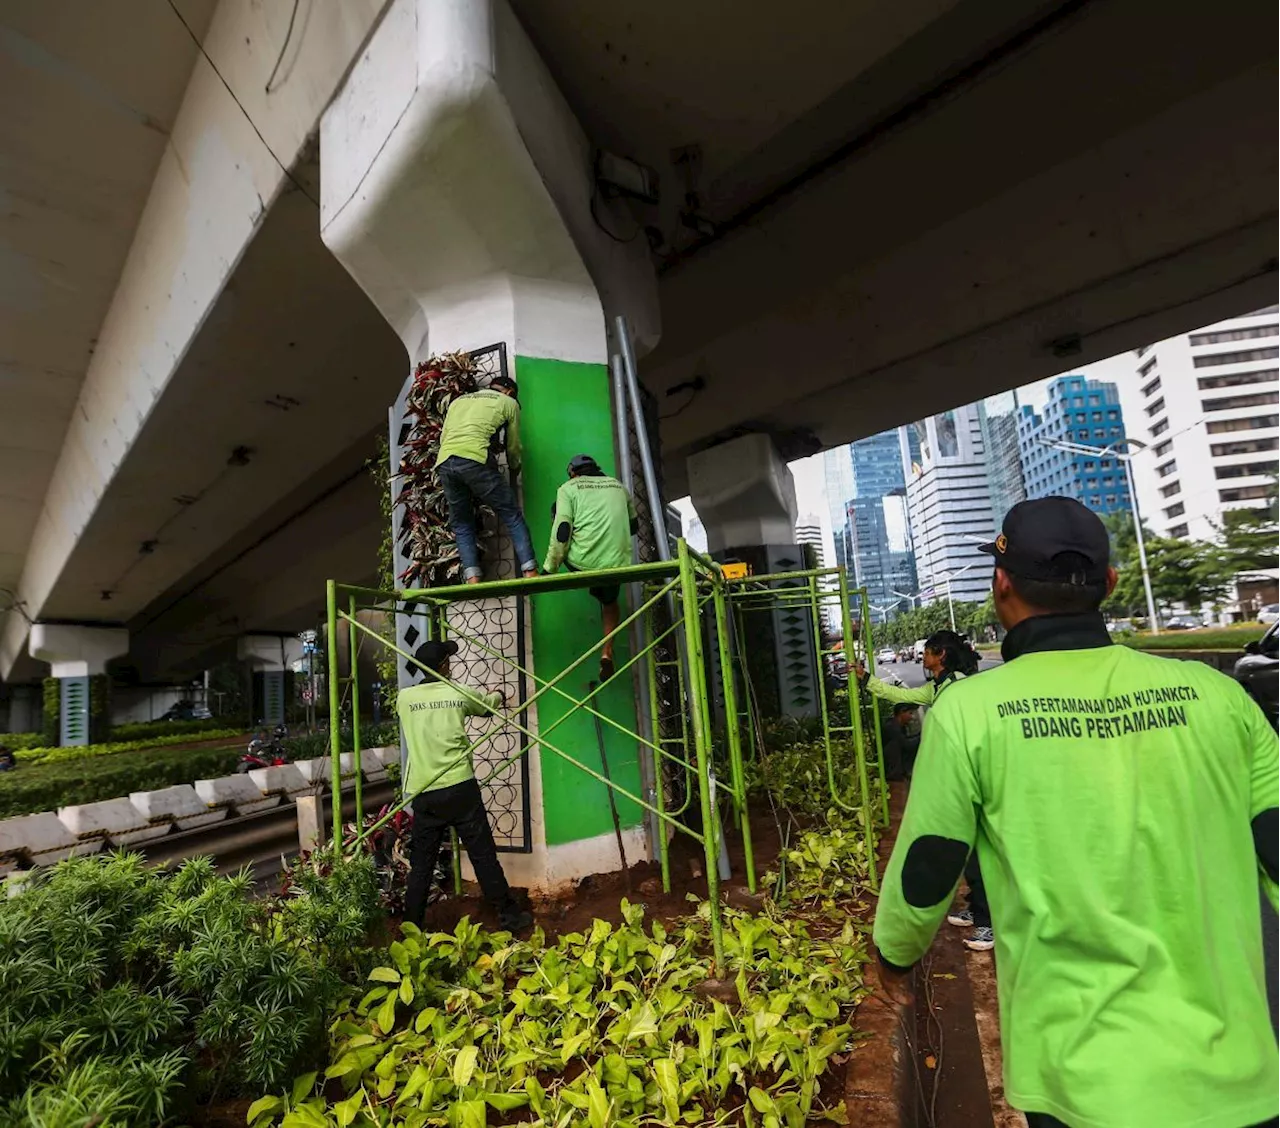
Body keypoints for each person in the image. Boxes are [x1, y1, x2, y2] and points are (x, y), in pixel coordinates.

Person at [873, 497, 1280, 1128]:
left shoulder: (970, 713)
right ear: (1111, 584)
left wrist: (895, 954)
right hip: (1241, 1078)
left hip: (1082, 1084)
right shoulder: (1220, 697)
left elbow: (926, 869)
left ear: (1000, 585)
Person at [858, 630, 992, 949]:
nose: (923, 657)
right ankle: (977, 909)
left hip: (968, 772)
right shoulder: (939, 686)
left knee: (977, 851)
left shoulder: (958, 685)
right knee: (967, 846)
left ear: (940, 655)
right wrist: (866, 680)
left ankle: (988, 922)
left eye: (928, 651)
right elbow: (900, 697)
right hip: (954, 774)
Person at [396, 640, 533, 932]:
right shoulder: (457, 693)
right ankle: (510, 917)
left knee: (421, 865)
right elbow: (486, 707)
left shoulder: (404, 699)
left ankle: (411, 928)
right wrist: (498, 694)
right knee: (483, 855)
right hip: (459, 787)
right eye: (448, 660)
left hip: (425, 791)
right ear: (444, 665)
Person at [542, 454, 638, 682]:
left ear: (573, 473)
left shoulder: (568, 488)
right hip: (617, 565)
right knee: (610, 602)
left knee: (557, 512)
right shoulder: (620, 487)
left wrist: (549, 569)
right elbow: (634, 526)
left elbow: (562, 529)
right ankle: (607, 651)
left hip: (581, 564)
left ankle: (589, 579)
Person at [436, 375, 538, 584]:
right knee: (511, 515)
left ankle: (472, 577)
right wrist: (514, 468)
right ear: (509, 392)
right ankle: (530, 571)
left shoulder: (458, 401)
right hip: (475, 459)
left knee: (462, 522)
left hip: (445, 462)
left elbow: (443, 437)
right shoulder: (509, 403)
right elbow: (513, 446)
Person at [879, 702, 921, 781]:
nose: (912, 717)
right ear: (902, 712)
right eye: (910, 713)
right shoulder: (891, 727)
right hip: (892, 772)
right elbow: (906, 745)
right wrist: (922, 737)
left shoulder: (899, 726)